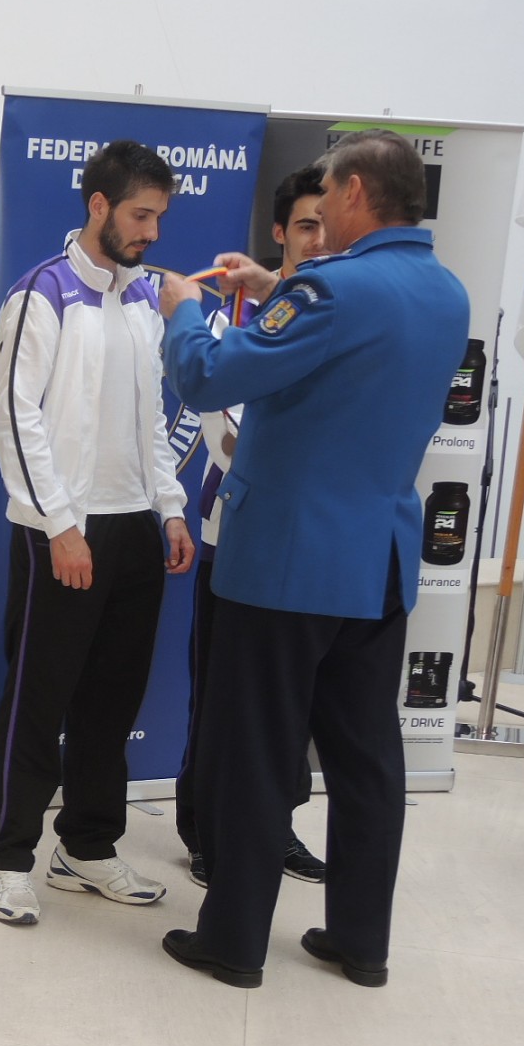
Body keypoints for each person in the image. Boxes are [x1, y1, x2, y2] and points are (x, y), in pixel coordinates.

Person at [156, 128, 469, 987]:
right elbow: (349, 355)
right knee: (366, 761)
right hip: (377, 563)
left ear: (356, 191)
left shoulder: (330, 289)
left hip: (287, 563)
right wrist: (276, 291)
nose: (320, 207)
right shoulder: (445, 291)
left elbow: (209, 377)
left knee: (257, 752)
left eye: (328, 192)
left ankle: (232, 943)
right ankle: (361, 942)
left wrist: (184, 311)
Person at [0, 139, 194, 927]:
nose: (152, 233)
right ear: (98, 205)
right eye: (140, 215)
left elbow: (152, 416)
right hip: (61, 533)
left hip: (135, 526)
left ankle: (88, 847)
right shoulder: (42, 292)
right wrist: (62, 527)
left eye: (159, 217)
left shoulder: (142, 300)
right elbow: (12, 415)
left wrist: (170, 506)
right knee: (39, 700)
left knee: (113, 700)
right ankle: (8, 859)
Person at [173, 166, 330, 888]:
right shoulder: (228, 318)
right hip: (230, 535)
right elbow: (229, 437)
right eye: (304, 226)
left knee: (291, 700)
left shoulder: (338, 316)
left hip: (305, 542)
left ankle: (275, 826)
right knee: (220, 696)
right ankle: (205, 829)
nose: (318, 239)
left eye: (326, 225)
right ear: (279, 232)